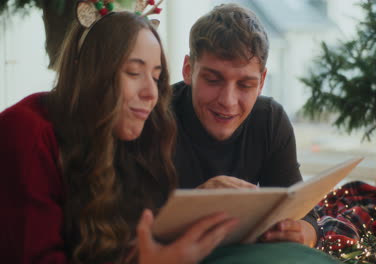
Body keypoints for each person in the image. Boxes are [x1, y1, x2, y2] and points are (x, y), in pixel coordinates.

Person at [0, 10, 238, 264]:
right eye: (134, 73)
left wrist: (191, 213)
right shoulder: (25, 131)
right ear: (91, 71)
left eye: (156, 78)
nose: (152, 93)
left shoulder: (126, 138)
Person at [172, 3, 320, 248]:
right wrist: (193, 205)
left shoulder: (270, 119)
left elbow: (304, 214)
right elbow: (127, 223)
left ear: (262, 82)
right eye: (213, 79)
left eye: (245, 85)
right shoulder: (154, 117)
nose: (228, 101)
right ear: (188, 70)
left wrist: (304, 232)